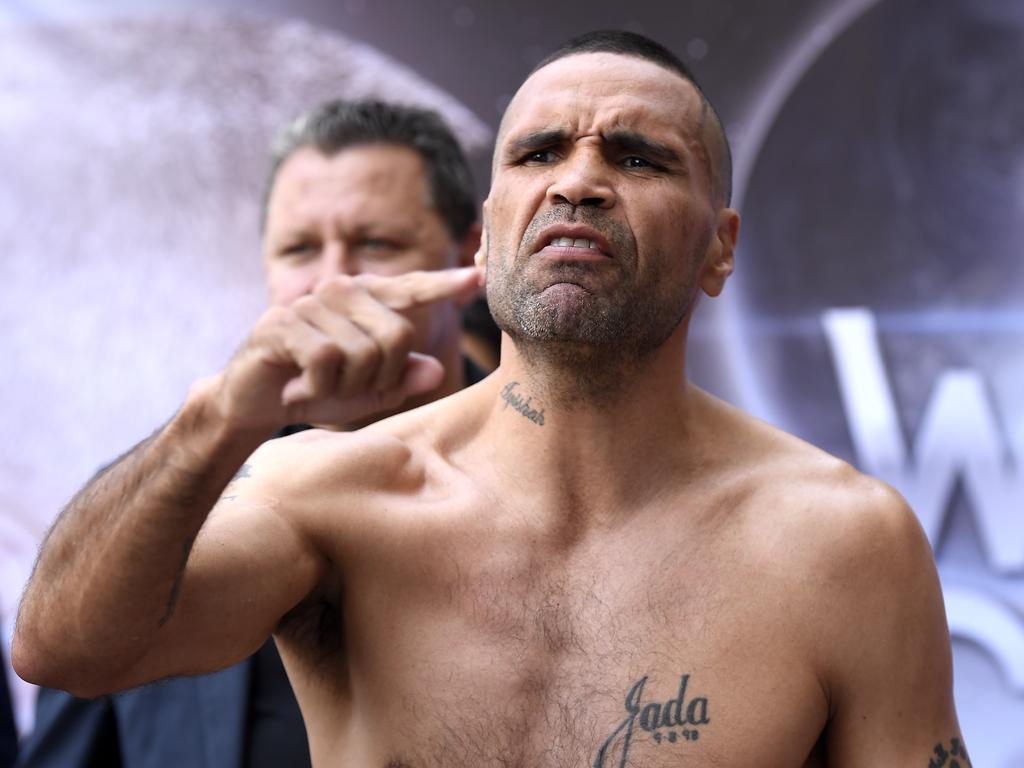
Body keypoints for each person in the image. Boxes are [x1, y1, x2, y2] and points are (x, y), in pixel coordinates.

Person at [13, 30, 967, 767]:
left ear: (721, 247)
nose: (580, 182)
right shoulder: (334, 497)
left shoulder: (845, 544)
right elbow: (65, 650)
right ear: (486, 236)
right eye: (540, 152)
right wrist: (217, 417)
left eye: (637, 157)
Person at [14, 98, 482, 767]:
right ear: (264, 269)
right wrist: (217, 423)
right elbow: (57, 673)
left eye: (377, 244)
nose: (332, 283)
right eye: (299, 249)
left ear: (466, 258)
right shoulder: (156, 514)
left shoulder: (555, 477)